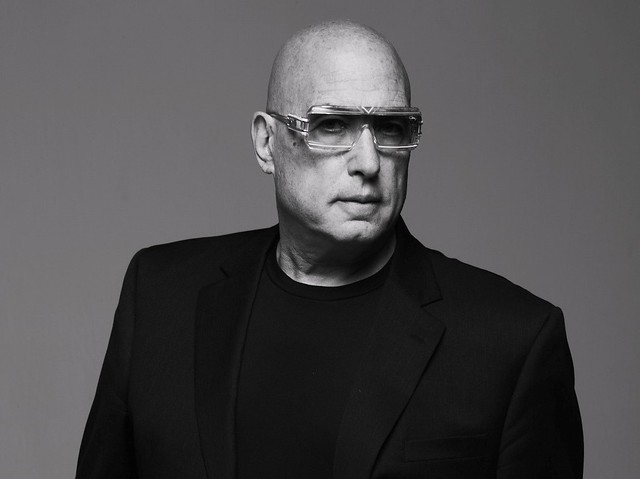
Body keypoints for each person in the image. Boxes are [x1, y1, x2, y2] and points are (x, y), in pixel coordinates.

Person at [76, 20, 583, 479]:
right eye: (332, 125)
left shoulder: (512, 339)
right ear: (267, 143)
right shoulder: (160, 294)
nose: (369, 162)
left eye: (390, 129)